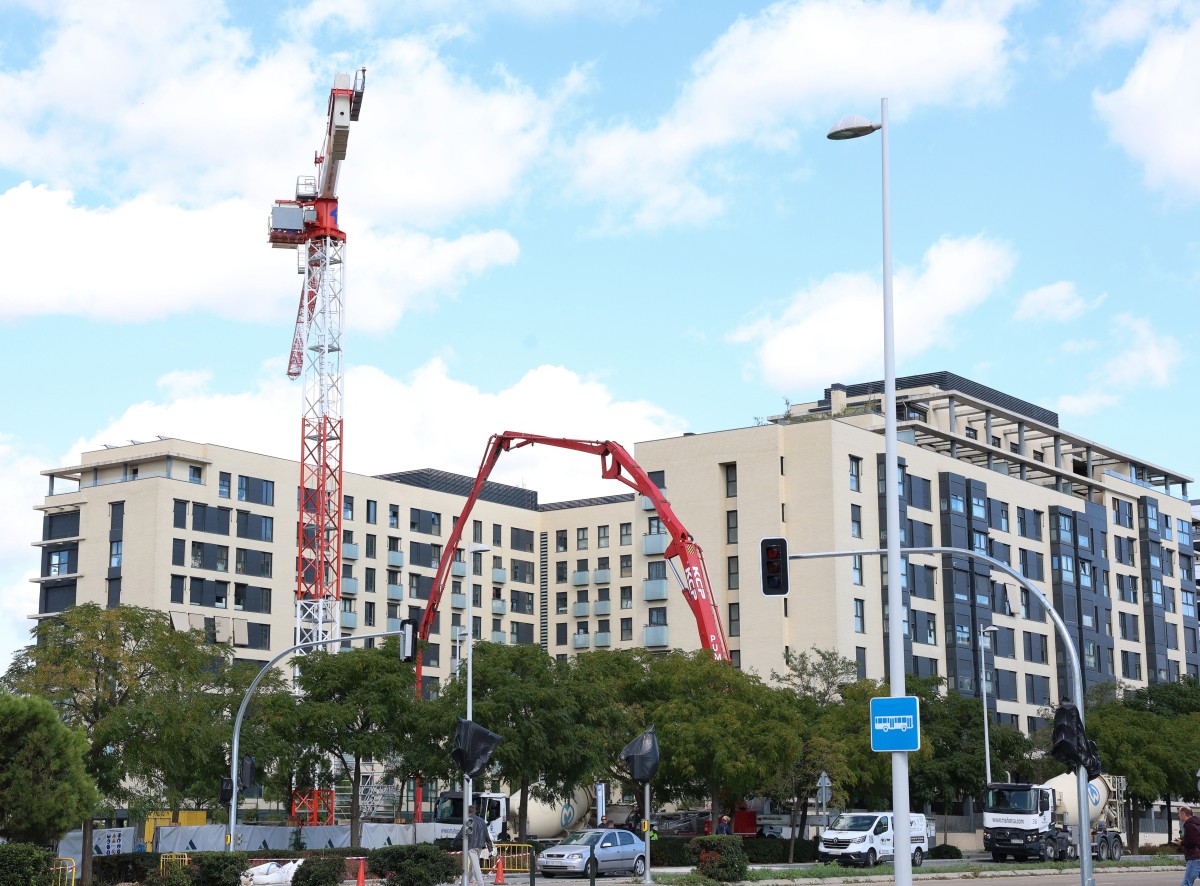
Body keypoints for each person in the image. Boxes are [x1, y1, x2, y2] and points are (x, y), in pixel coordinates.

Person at [455, 804, 495, 886]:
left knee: (475, 866)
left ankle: (481, 884)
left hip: (471, 846)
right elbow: (487, 835)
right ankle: (464, 883)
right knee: (473, 866)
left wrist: (454, 841)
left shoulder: (469, 820)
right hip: (480, 846)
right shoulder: (482, 821)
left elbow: (461, 833)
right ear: (475, 811)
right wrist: (490, 848)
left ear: (467, 812)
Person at [1180, 807, 1200, 886]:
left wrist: (1181, 843)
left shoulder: (1189, 825)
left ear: (1183, 813)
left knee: (1187, 883)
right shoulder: (1197, 824)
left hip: (1194, 858)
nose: (1179, 815)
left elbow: (1192, 842)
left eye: (1179, 813)